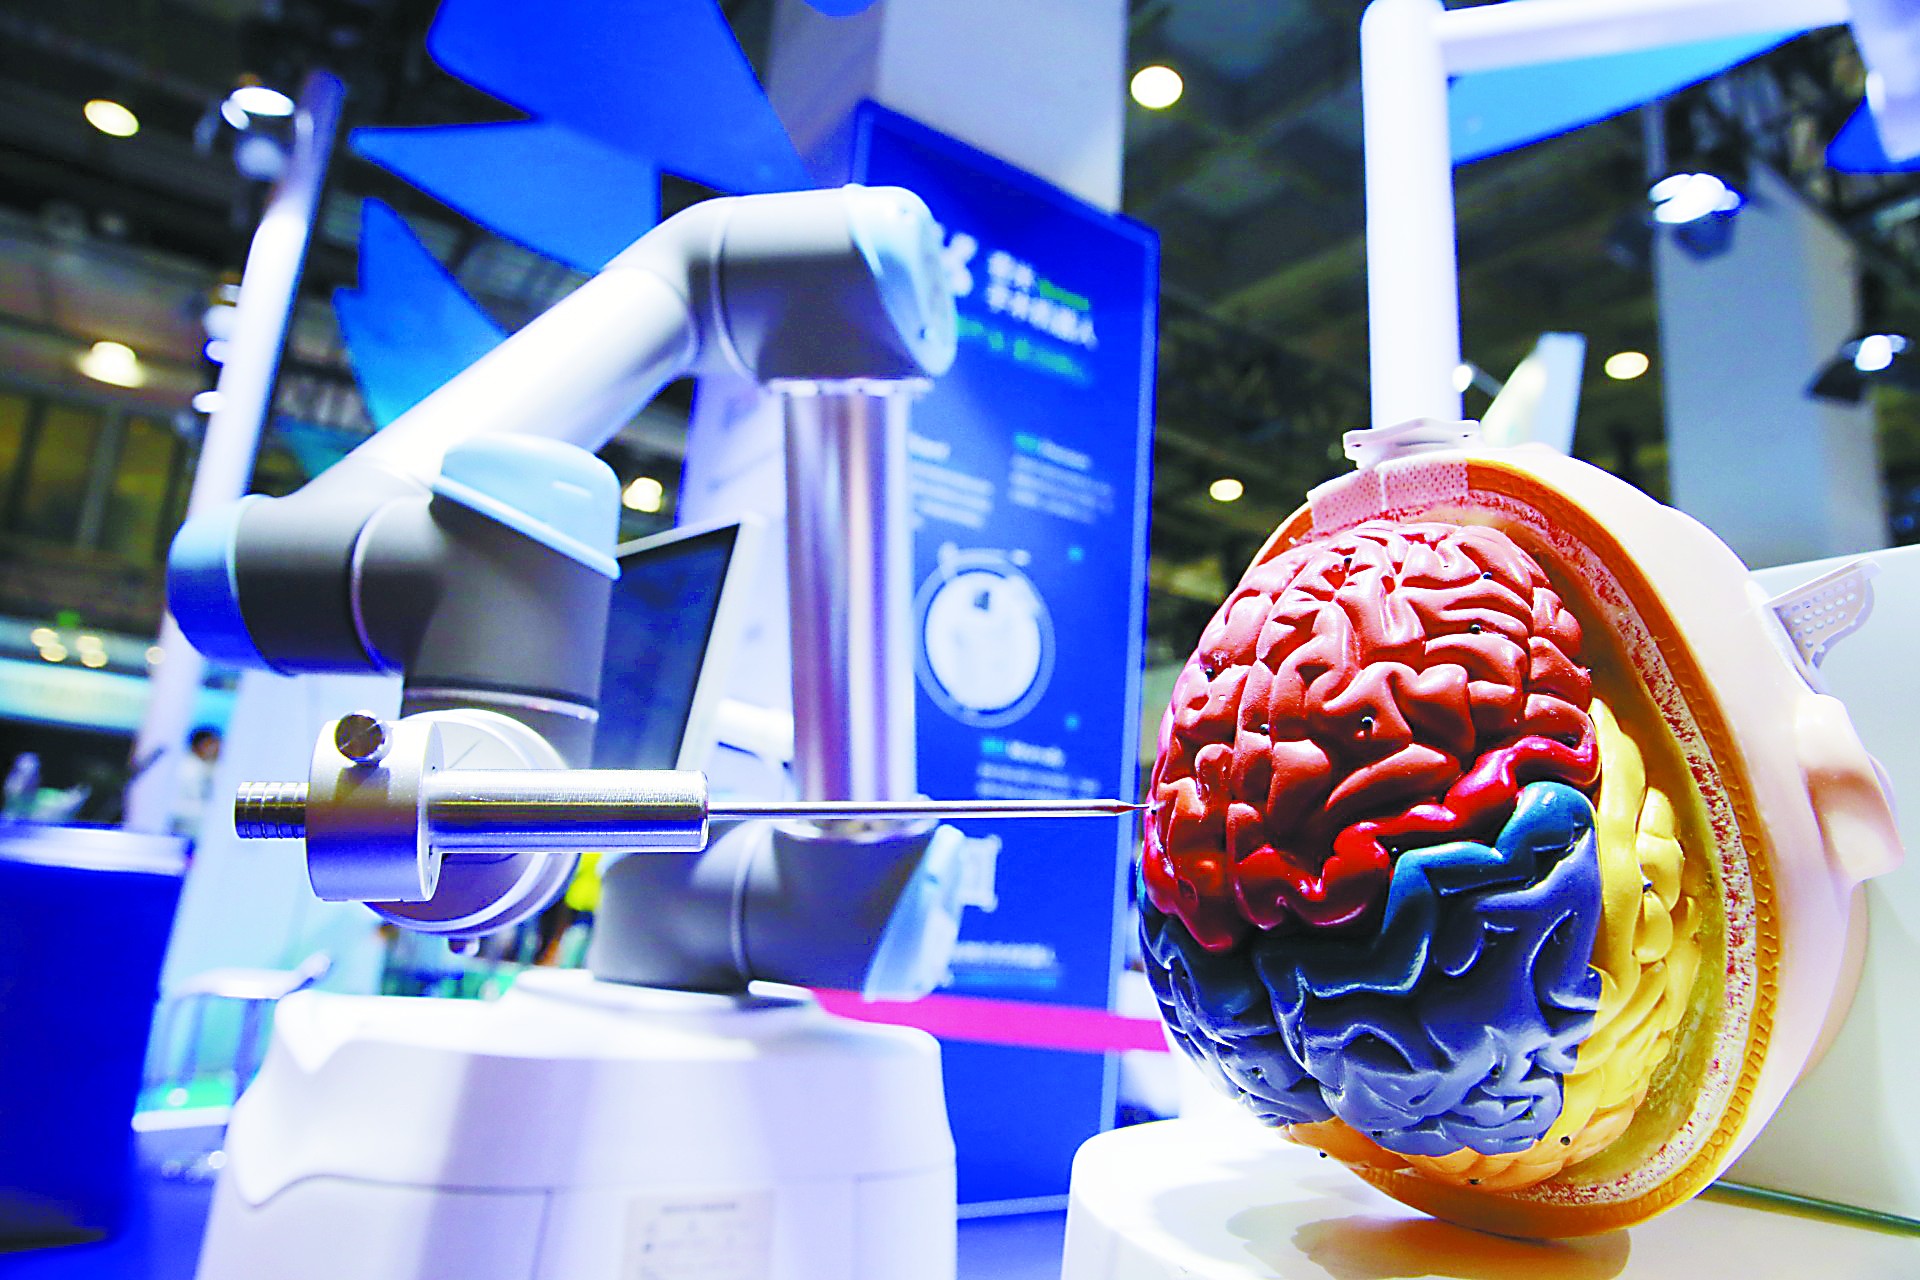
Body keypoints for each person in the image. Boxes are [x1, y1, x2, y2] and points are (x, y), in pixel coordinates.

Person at [170, 726, 223, 840]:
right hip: (184, 831)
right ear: (200, 745)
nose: (217, 749)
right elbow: (177, 805)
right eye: (212, 744)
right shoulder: (186, 770)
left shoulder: (208, 767)